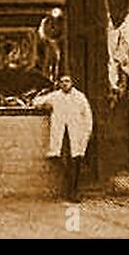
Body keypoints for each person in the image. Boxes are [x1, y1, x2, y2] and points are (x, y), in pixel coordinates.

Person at [33, 75, 94, 203]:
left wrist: (86, 132)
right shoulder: (56, 96)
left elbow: (87, 116)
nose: (65, 84)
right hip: (62, 135)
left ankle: (75, 192)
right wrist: (44, 106)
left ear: (72, 83)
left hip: (76, 134)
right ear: (59, 84)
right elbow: (37, 102)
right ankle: (68, 192)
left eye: (67, 81)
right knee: (65, 163)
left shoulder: (79, 97)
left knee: (76, 163)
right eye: (62, 82)